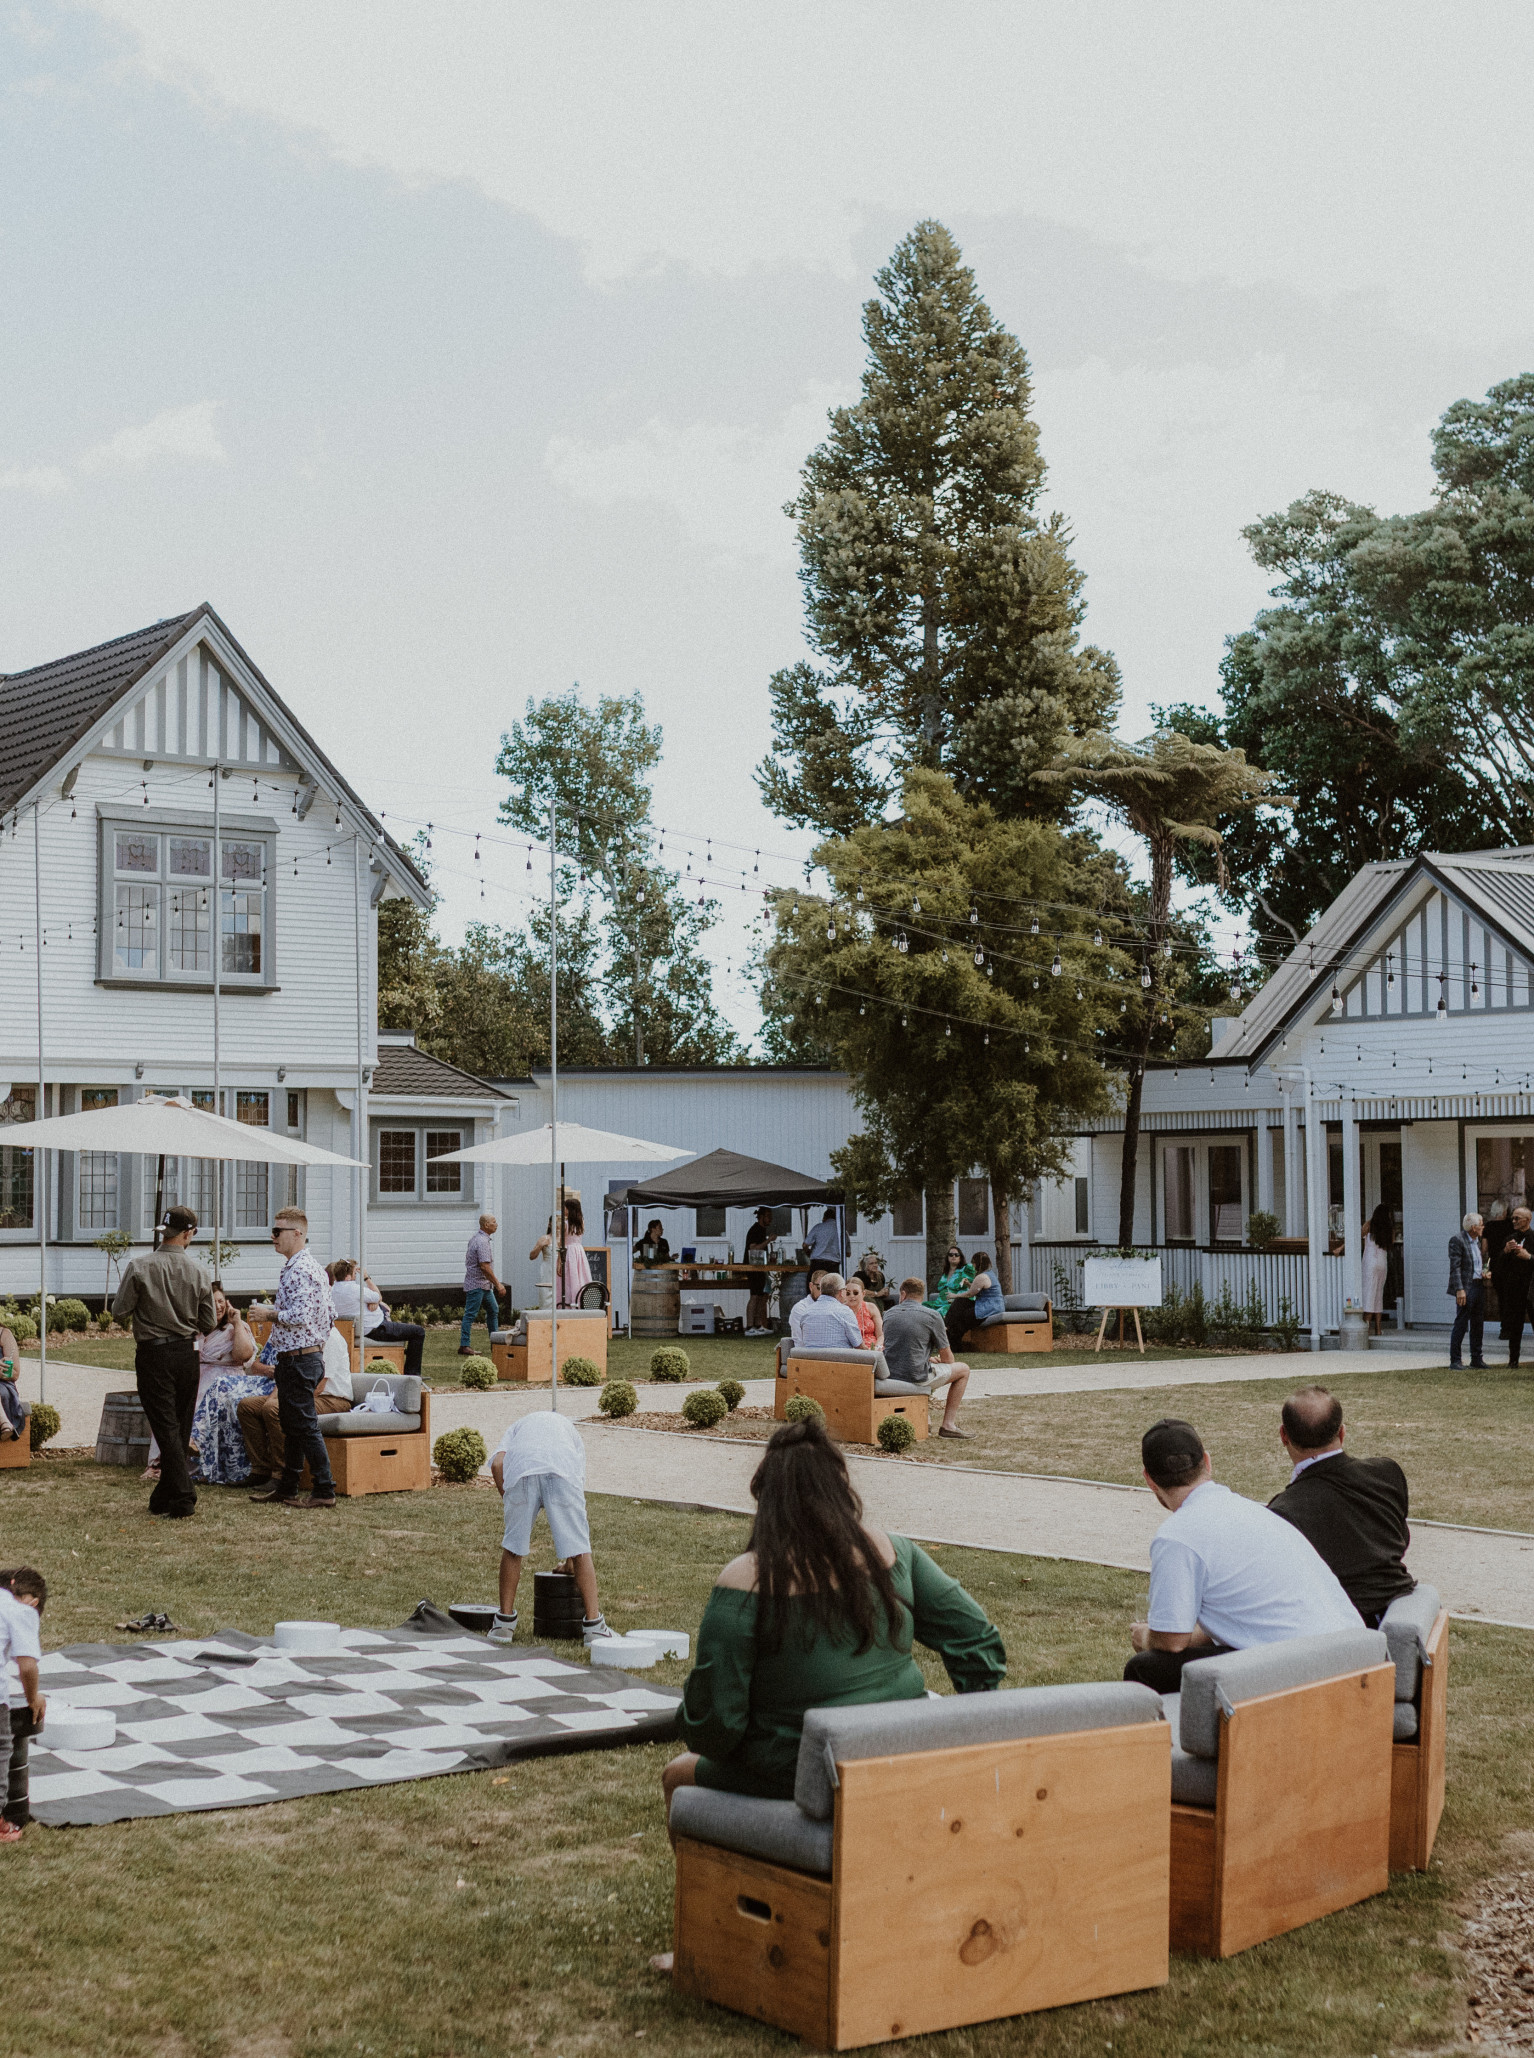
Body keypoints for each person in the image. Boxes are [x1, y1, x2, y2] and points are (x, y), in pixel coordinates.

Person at [657, 1415, 1004, 1825]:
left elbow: (715, 1727)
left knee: (678, 1773)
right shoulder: (893, 1552)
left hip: (801, 1772)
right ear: (841, 1488)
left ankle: (725, 1887)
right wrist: (969, 1725)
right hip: (897, 1751)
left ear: (765, 1497)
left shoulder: (745, 1581)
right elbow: (976, 1638)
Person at [1124, 1418, 1363, 1694]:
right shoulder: (1255, 1512)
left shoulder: (1177, 1536)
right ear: (1207, 1462)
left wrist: (1145, 1636)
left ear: (1149, 1479)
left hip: (1304, 1674)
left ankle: (1163, 1738)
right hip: (1356, 1657)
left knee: (1145, 1666)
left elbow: (1171, 1641)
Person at [1266, 1387, 1415, 1626]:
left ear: (1283, 1436)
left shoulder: (1283, 1512)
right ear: (1342, 1432)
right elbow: (1400, 1539)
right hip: (1402, 1605)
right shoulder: (1387, 1472)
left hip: (1342, 1626)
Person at [112, 1204, 218, 1519]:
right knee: (179, 1424)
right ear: (190, 1234)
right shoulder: (199, 1271)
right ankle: (166, 1496)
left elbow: (119, 1310)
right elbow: (209, 1322)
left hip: (153, 1352)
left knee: (165, 1425)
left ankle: (181, 1494)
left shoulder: (139, 1266)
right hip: (187, 1352)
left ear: (163, 1231)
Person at [488, 1409, 607, 1647]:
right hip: (562, 1468)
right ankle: (594, 1628)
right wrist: (573, 1557)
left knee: (513, 1548)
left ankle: (503, 1626)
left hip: (521, 1471)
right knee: (581, 1547)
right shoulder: (570, 1432)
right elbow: (576, 1486)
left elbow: (498, 1463)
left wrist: (509, 1500)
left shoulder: (516, 1428)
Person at [246, 1208, 337, 1511]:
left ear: (297, 1233)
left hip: (300, 1359)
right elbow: (329, 1315)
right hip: (298, 1358)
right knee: (294, 1425)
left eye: (278, 1231)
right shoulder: (300, 1267)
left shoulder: (301, 1269)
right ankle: (288, 1487)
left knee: (304, 1425)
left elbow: (301, 1314)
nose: (272, 1237)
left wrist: (267, 1313)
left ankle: (324, 1488)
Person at [237, 1323, 352, 1487]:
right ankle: (261, 1469)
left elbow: (318, 1387)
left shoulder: (330, 1337)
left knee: (274, 1409)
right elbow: (289, 1376)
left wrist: (281, 1401)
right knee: (247, 1406)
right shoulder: (305, 1336)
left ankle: (282, 1474)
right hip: (301, 1394)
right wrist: (274, 1397)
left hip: (331, 1399)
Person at [183, 1290, 265, 1486]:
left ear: (227, 1303)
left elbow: (243, 1356)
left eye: (220, 1301)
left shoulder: (234, 1327)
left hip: (228, 1381)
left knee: (212, 1399)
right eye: (212, 1302)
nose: (218, 1306)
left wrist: (236, 1323)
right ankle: (189, 1462)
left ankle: (197, 1442)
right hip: (199, 1377)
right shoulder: (196, 1329)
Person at [880, 1276, 972, 1438]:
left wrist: (927, 1358)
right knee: (963, 1370)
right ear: (921, 1296)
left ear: (903, 1294)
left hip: (891, 1374)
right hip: (915, 1376)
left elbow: (898, 1347)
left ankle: (926, 1419)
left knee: (924, 1365)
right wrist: (936, 1359)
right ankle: (948, 1425)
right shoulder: (932, 1316)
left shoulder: (887, 1314)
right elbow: (948, 1359)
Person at [0, 1566, 45, 1843]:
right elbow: (27, 1666)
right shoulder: (22, 1611)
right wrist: (33, 1697)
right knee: (1, 1748)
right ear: (33, 1601)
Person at [330, 1259, 426, 1380]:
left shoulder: (333, 1290)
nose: (356, 1276)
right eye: (355, 1274)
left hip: (354, 1330)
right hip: (376, 1329)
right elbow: (378, 1295)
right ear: (348, 1277)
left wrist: (375, 1303)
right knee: (418, 1332)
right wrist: (366, 1278)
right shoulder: (355, 1290)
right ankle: (412, 1376)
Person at [1491, 1205, 1534, 1368]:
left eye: (1517, 1218)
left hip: (1531, 1288)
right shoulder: (1510, 1238)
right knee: (1515, 1326)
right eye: (1513, 1218)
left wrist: (1528, 1257)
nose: (1514, 1221)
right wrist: (1505, 1251)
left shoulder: (1533, 1238)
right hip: (1515, 1289)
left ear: (1527, 1220)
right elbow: (1498, 1264)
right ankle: (1513, 1360)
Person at [461, 1214, 506, 1355]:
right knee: (470, 1314)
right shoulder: (482, 1242)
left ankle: (496, 1342)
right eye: (494, 1222)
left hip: (484, 1284)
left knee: (493, 1310)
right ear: (486, 1225)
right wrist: (499, 1285)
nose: (496, 1224)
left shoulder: (476, 1238)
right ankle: (464, 1345)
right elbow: (485, 1267)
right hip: (477, 1284)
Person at [1448, 1210, 1488, 1369]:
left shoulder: (1478, 1242)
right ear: (1473, 1227)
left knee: (1478, 1323)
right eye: (1481, 1224)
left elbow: (1479, 1262)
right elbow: (1455, 1267)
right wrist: (1460, 1289)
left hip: (1479, 1284)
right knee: (1462, 1323)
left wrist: (1485, 1271)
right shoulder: (1457, 1240)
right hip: (1466, 1286)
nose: (1483, 1227)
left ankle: (1477, 1358)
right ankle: (1455, 1360)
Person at [943, 1250, 1003, 1350]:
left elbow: (970, 1293)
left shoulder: (982, 1276)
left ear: (976, 1264)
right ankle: (947, 1325)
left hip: (989, 1307)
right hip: (989, 1304)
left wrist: (954, 1295)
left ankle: (951, 1339)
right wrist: (968, 1284)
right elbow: (977, 1290)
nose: (972, 1265)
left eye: (973, 1263)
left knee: (963, 1318)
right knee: (961, 1303)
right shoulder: (989, 1274)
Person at [788, 1271, 863, 1351]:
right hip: (838, 1362)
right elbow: (858, 1345)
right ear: (841, 1292)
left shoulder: (806, 1312)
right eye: (845, 1290)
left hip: (810, 1361)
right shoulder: (845, 1312)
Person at [1362, 1203, 1394, 1336]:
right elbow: (1390, 1245)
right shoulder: (1389, 1229)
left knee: (1369, 1293)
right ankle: (1378, 1329)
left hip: (1370, 1262)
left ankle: (1366, 1327)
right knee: (1378, 1294)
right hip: (1382, 1263)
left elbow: (1358, 1236)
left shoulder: (1369, 1225)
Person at [743, 1206, 776, 1335]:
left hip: (760, 1266)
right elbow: (753, 1248)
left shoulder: (762, 1230)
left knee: (762, 1296)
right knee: (755, 1295)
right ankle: (749, 1326)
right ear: (761, 1217)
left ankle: (758, 1325)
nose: (770, 1219)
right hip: (752, 1266)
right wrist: (768, 1240)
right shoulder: (755, 1230)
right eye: (768, 1216)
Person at [925, 1245, 974, 1316]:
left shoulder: (966, 1268)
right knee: (922, 1307)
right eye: (951, 1255)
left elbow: (971, 1285)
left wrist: (967, 1283)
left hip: (954, 1304)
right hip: (939, 1303)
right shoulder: (945, 1272)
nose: (953, 1256)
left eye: (956, 1255)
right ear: (947, 1257)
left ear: (960, 1257)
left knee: (938, 1313)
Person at [841, 1274, 883, 1350]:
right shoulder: (841, 1309)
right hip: (850, 1352)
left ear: (863, 1294)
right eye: (848, 1293)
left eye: (855, 1293)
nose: (851, 1296)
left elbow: (881, 1335)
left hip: (873, 1350)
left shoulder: (871, 1307)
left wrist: (876, 1348)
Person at [805, 1206, 843, 1284]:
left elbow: (805, 1245)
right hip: (833, 1265)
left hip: (817, 1264)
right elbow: (848, 1253)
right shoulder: (841, 1230)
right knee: (833, 1289)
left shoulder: (818, 1227)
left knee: (813, 1287)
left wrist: (808, 1253)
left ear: (824, 1218)